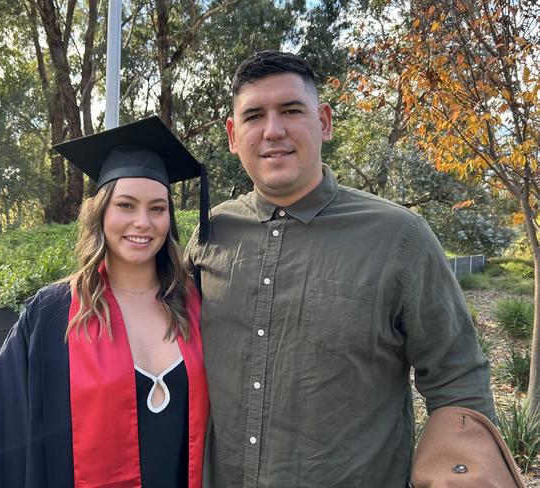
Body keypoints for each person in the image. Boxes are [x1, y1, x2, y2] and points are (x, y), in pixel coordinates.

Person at [185, 51, 499, 487]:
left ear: (325, 122)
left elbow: (457, 375)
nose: (273, 131)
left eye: (292, 110)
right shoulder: (211, 233)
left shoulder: (400, 237)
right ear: (234, 135)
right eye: (255, 115)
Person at [0, 116, 209, 488]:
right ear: (101, 213)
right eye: (126, 205)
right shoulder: (52, 315)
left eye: (157, 208)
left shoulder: (194, 303)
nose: (143, 222)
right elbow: (4, 433)